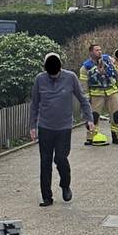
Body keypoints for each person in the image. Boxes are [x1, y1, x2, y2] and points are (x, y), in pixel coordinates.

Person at [30, 53, 93, 207]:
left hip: (64, 127)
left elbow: (83, 99)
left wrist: (89, 118)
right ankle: (47, 197)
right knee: (45, 162)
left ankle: (65, 185)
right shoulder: (40, 79)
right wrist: (32, 126)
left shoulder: (70, 77)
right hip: (45, 127)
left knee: (60, 158)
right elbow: (34, 104)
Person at [79, 43, 118, 145]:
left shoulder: (108, 61)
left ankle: (117, 137)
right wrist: (86, 98)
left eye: (100, 49)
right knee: (93, 117)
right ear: (91, 52)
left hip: (112, 92)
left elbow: (117, 73)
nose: (99, 51)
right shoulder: (85, 67)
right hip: (96, 94)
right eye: (97, 50)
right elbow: (83, 84)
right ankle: (91, 137)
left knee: (117, 115)